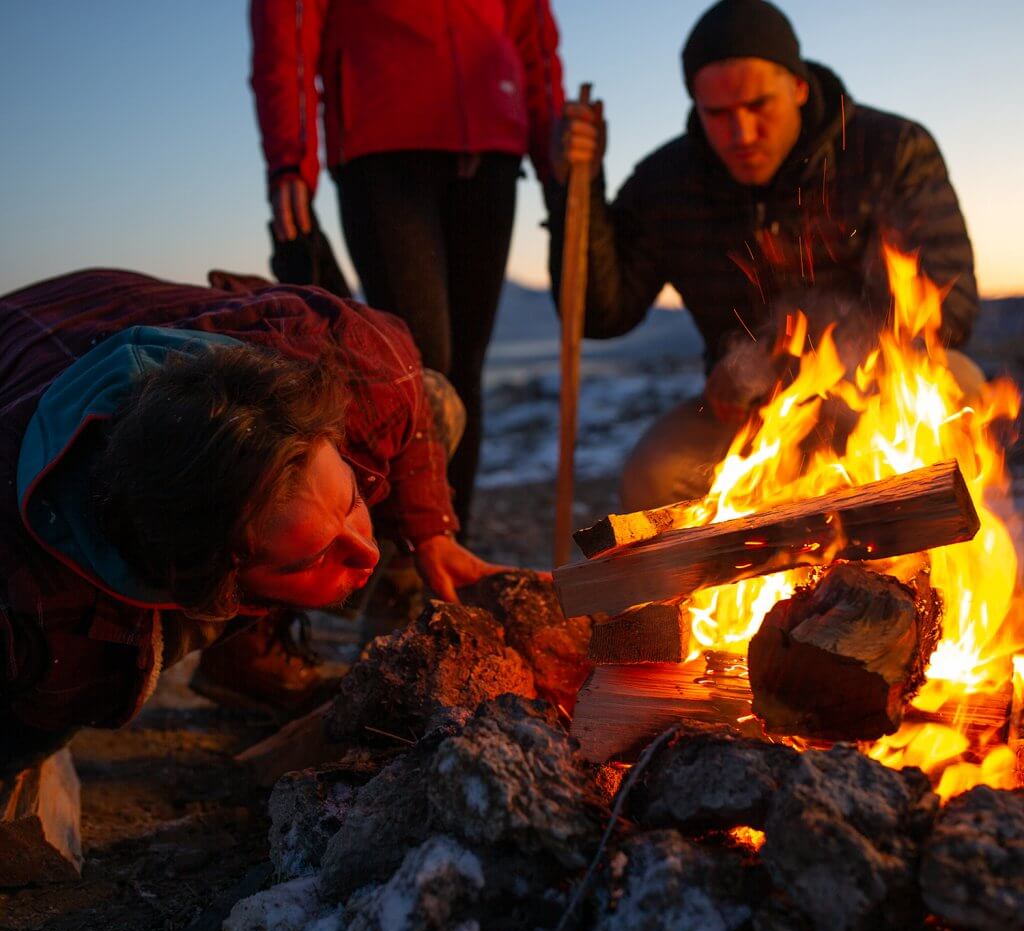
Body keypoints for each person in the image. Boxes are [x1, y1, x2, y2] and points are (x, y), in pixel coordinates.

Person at [0, 269, 504, 777]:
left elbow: (406, 381)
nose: (368, 551)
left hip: (95, 306)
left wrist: (430, 533)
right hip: (22, 359)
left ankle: (250, 652)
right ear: (212, 582)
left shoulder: (336, 364)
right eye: (314, 556)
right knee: (43, 717)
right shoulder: (39, 610)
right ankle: (241, 649)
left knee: (437, 399)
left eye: (350, 498)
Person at [548, 0, 979, 510]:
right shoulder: (667, 184)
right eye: (719, 115)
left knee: (959, 388)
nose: (742, 134)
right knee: (655, 480)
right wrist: (576, 189)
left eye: (758, 106)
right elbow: (601, 314)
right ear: (694, 105)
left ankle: (938, 577)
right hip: (744, 413)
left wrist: (775, 360)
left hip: (873, 391)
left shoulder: (887, 150)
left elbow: (949, 310)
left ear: (797, 88)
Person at [250, 0, 565, 533]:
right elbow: (288, 21)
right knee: (417, 369)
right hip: (383, 138)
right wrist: (291, 156)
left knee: (464, 368)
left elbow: (531, 29)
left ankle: (445, 552)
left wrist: (552, 145)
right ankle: (407, 548)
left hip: (491, 143)